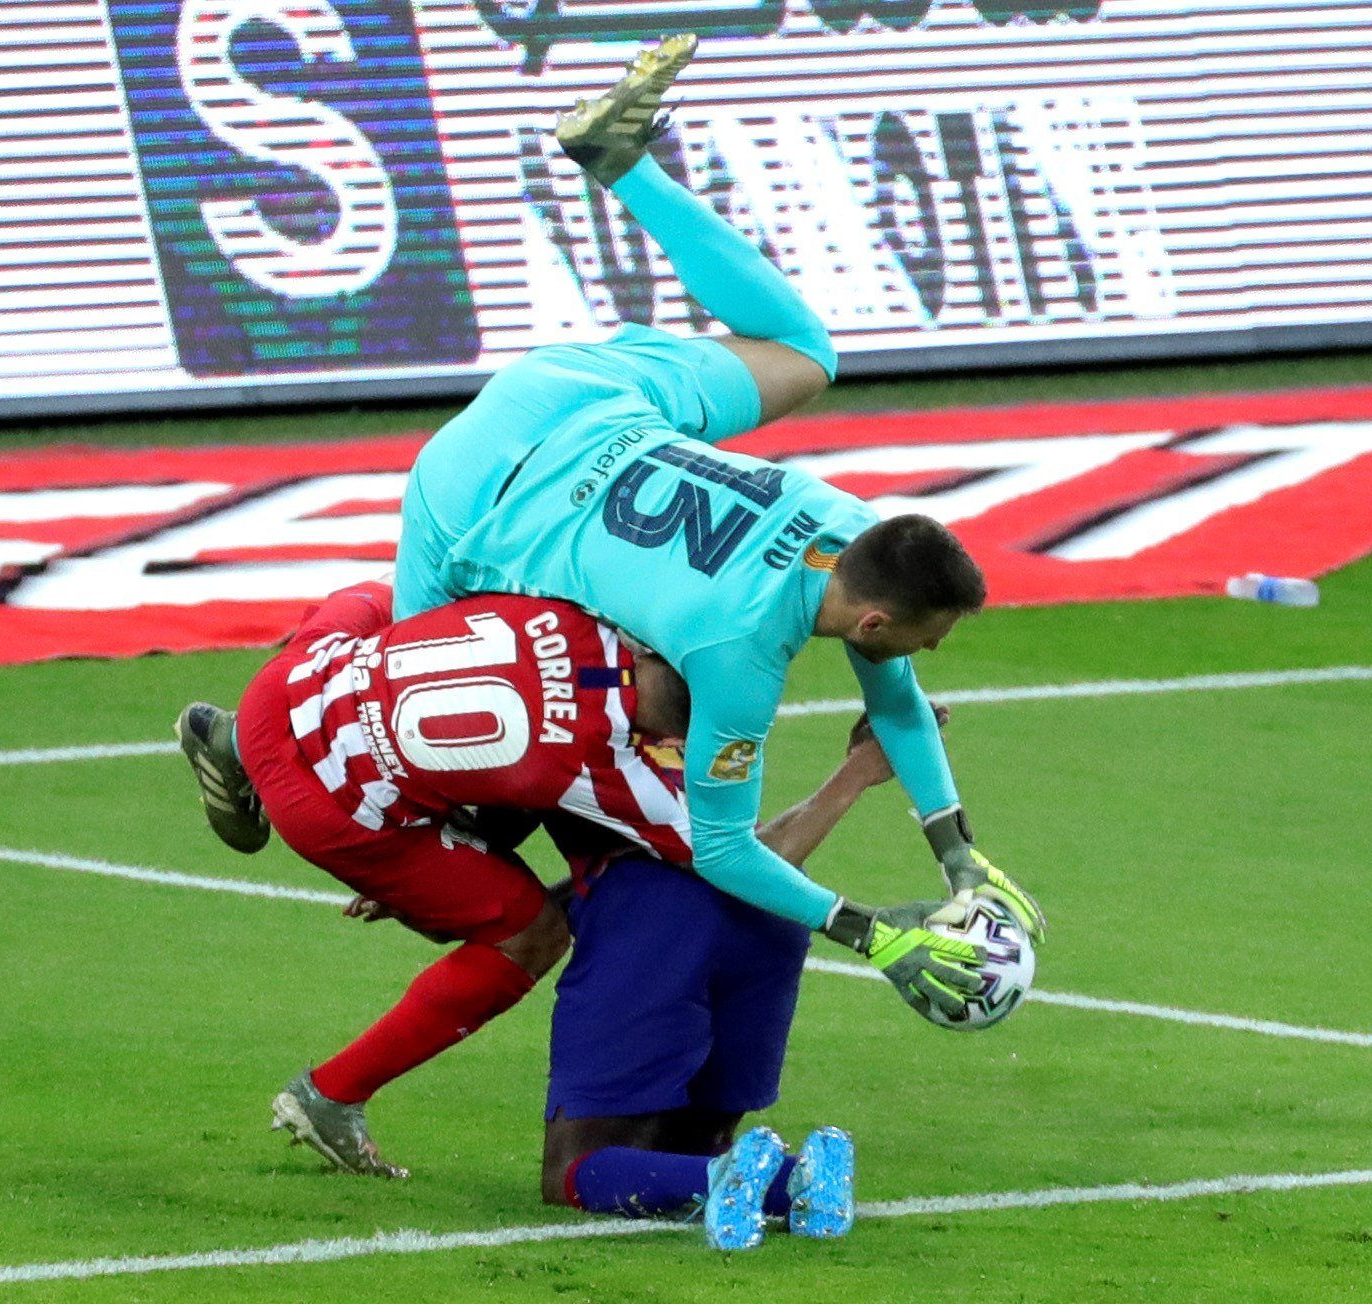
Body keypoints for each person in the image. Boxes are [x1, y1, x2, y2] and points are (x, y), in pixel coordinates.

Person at [383, 34, 1045, 1017]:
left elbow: (896, 701)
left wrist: (959, 852)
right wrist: (872, 930)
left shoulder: (854, 527)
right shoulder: (736, 654)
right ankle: (254, 749)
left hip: (568, 397)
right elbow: (723, 846)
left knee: (802, 349)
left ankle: (621, 163)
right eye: (928, 635)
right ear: (871, 622)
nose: (930, 649)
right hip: (466, 498)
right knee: (411, 771)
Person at [177, 578, 699, 1177]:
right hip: (325, 805)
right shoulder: (609, 762)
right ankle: (331, 1094)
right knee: (532, 935)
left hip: (293, 683)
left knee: (392, 595)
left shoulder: (573, 604)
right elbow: (735, 859)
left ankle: (235, 738)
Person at [539, 710, 944, 1250]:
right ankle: (795, 1181)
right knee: (697, 1144)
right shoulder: (713, 717)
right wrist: (859, 770)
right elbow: (748, 847)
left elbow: (696, 860)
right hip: (773, 913)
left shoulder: (567, 716)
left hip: (654, 919)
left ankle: (761, 1180)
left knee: (576, 1165)